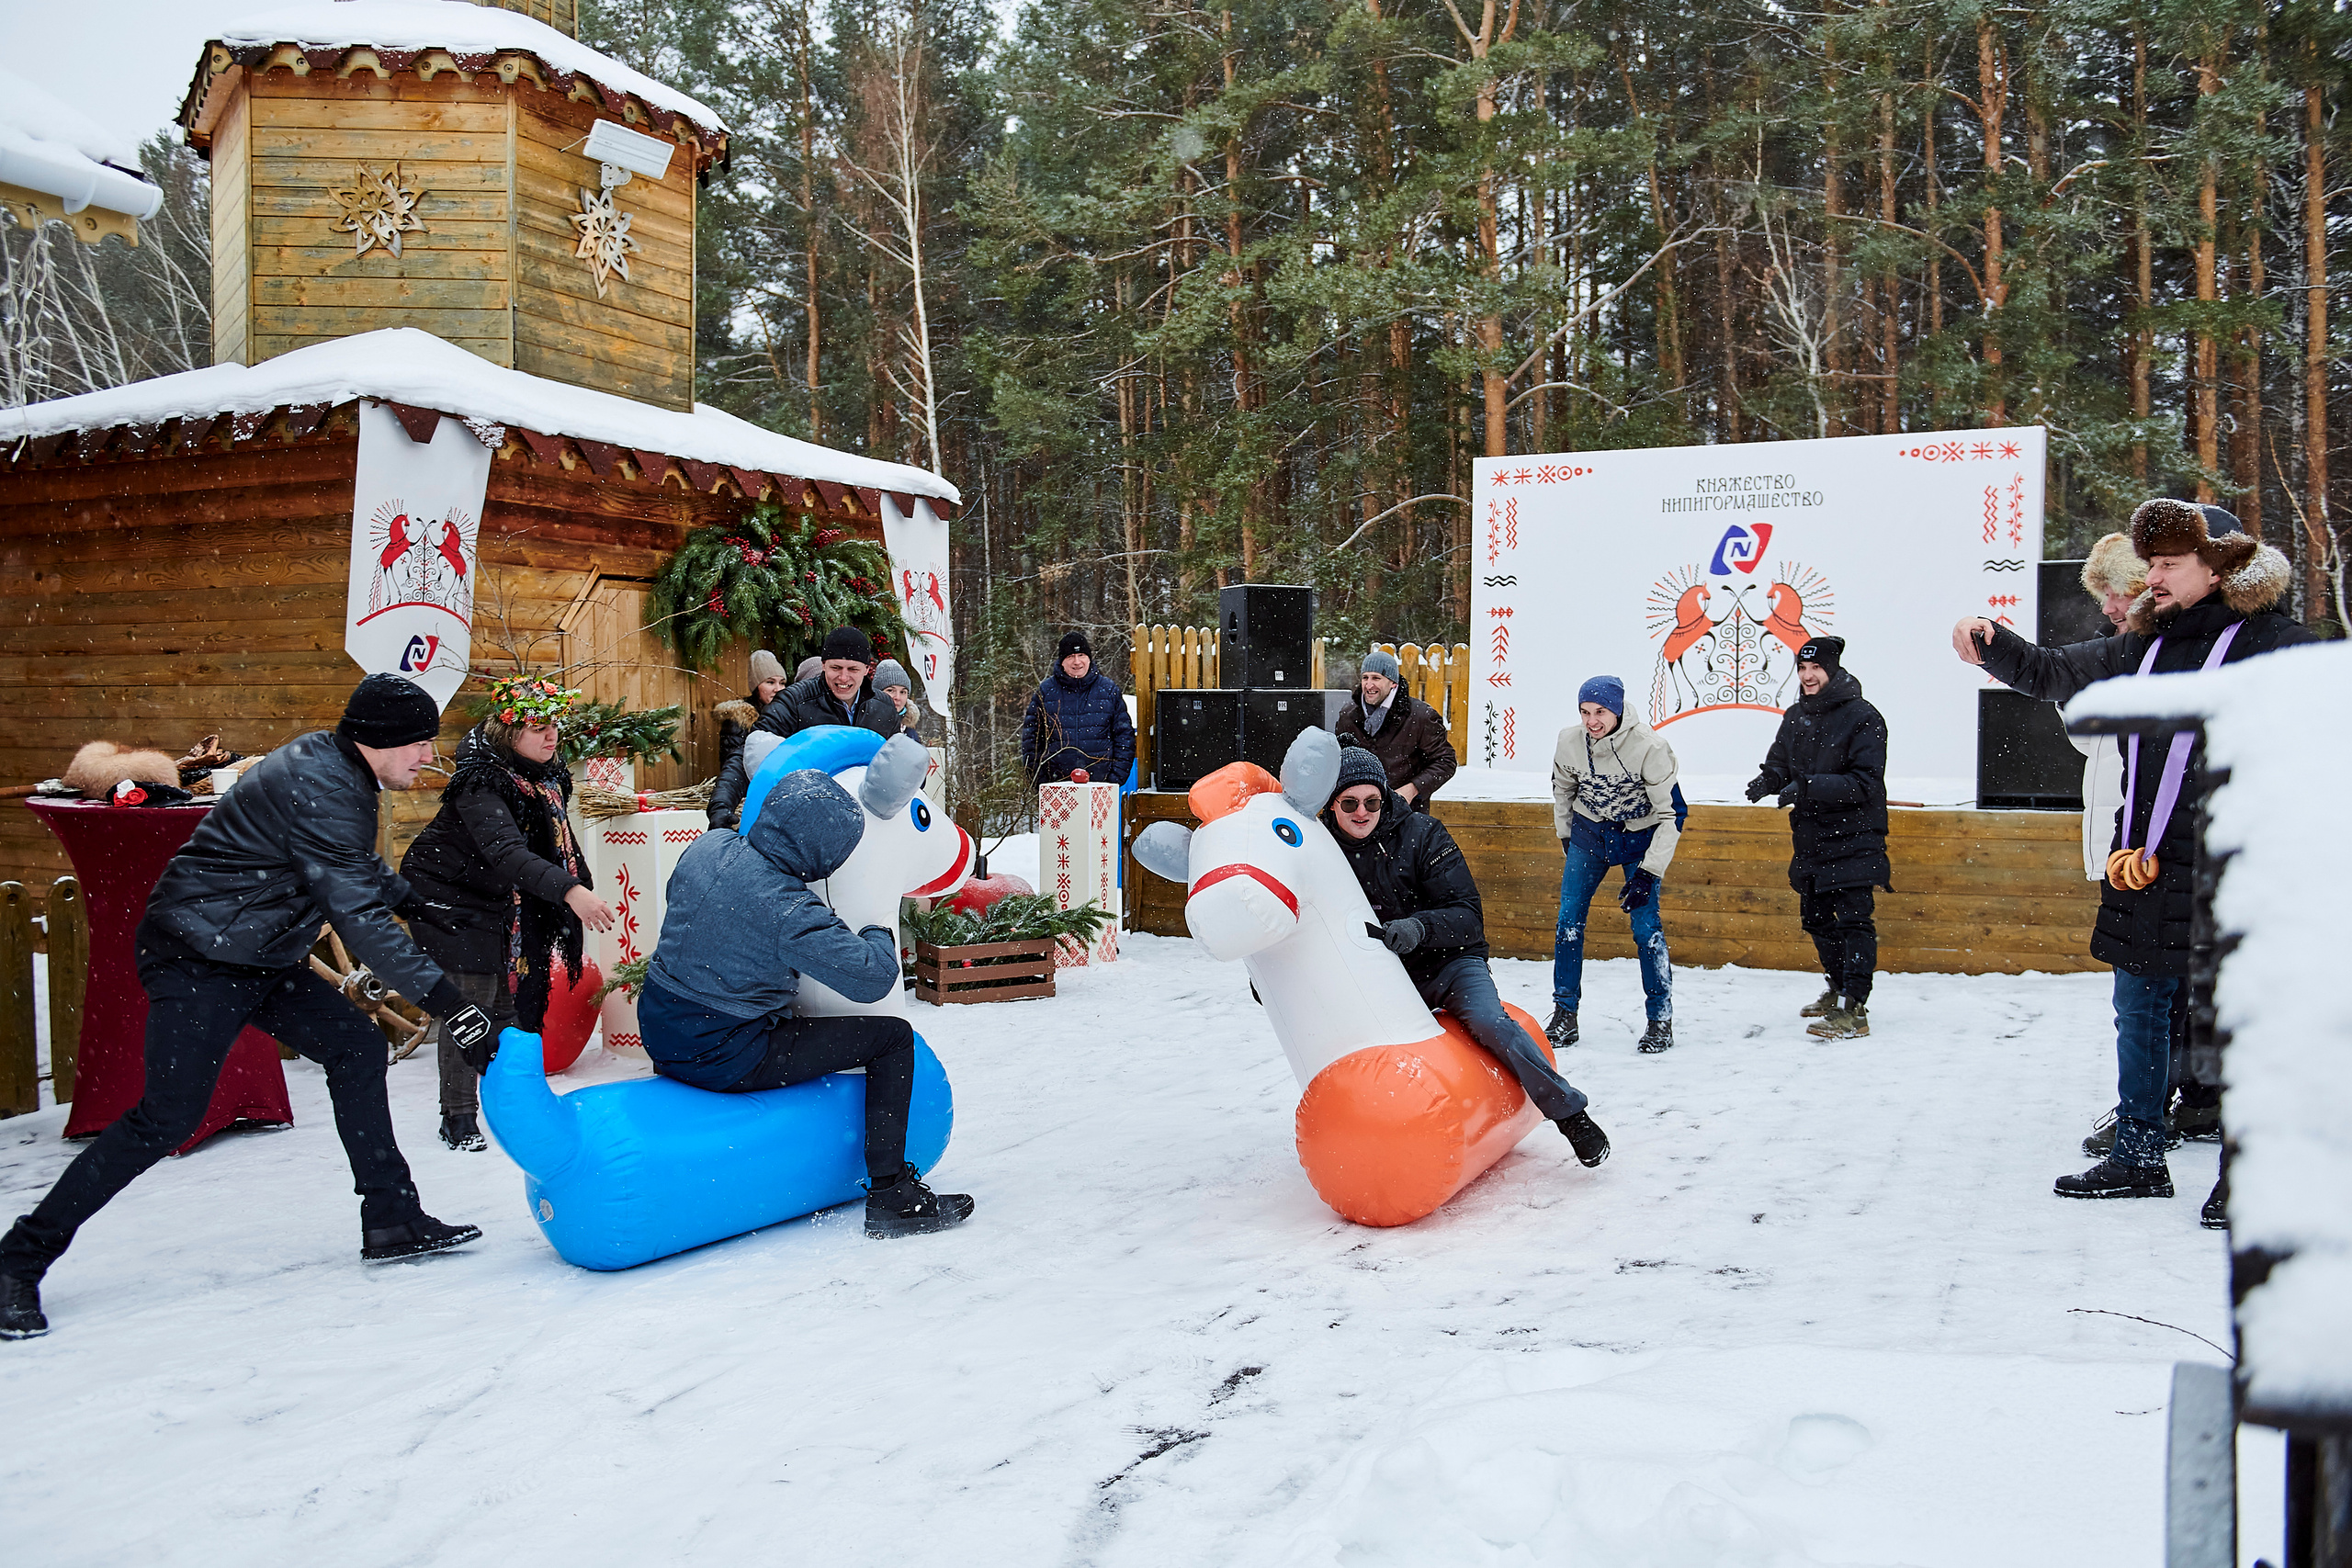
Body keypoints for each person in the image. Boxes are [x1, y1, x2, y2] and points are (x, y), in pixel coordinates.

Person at [0, 674, 496, 1340]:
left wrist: (410, 898)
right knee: (165, 1117)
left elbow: (344, 864)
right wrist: (448, 1003)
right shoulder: (326, 785)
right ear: (378, 741)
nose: (424, 757)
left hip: (253, 950)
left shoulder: (337, 769)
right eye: (418, 743)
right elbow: (358, 920)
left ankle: (392, 1217)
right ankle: (18, 1259)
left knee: (355, 1045)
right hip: (197, 953)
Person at [1952, 500, 2310, 1210]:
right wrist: (1992, 642)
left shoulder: (2278, 643)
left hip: (2239, 869)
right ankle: (2140, 1153)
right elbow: (2053, 671)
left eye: (2170, 564)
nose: (2154, 577)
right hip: (2144, 864)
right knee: (2140, 1009)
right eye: (2151, 564)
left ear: (2222, 565)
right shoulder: (2141, 645)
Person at [634, 746, 974, 1238]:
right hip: (722, 1052)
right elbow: (871, 978)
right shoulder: (788, 910)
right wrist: (878, 927)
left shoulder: (708, 848)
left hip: (661, 1026)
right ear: (821, 854)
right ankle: (891, 1196)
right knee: (893, 1039)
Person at [1321, 745, 1611, 1168]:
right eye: (1349, 803)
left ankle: (1571, 1115)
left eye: (1371, 801)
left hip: (1449, 961)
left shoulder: (1423, 834)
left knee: (1490, 1022)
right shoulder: (1323, 849)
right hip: (1383, 972)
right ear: (1333, 805)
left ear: (1385, 799)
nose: (1361, 812)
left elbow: (1468, 915)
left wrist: (1420, 927)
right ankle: (1363, 1138)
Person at [399, 675, 616, 1152]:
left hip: (502, 894)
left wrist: (577, 882)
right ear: (506, 731)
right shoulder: (481, 781)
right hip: (446, 892)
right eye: (536, 726)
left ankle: (516, 1102)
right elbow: (506, 851)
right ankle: (457, 1119)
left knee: (514, 1008)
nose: (551, 735)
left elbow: (550, 841)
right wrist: (570, 892)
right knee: (472, 1004)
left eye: (554, 723)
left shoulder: (548, 774)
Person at [2064, 538, 2218, 1162]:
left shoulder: (2176, 654)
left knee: (2157, 994)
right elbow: (2091, 745)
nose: (2107, 605)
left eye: (2116, 591)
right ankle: (2180, 1100)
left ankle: (2156, 1115)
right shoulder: (2128, 655)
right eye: (2102, 594)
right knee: (2166, 990)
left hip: (2171, 849)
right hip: (2133, 846)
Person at [1745, 636, 1889, 1043]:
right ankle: (1838, 985)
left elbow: (1863, 782)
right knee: (1816, 919)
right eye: (1802, 669)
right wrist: (1768, 780)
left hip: (1855, 835)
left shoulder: (1864, 717)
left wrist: (1804, 786)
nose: (1808, 676)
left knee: (1855, 920)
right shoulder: (1795, 716)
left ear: (1833, 670)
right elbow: (1779, 764)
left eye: (1815, 668)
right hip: (1811, 838)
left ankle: (1855, 1007)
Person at [1546, 676, 1679, 1054]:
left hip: (1639, 836)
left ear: (1618, 709)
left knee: (1645, 927)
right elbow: (1562, 789)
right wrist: (1567, 834)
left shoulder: (1650, 748)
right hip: (1589, 834)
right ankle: (1564, 1014)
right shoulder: (1569, 741)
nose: (1592, 721)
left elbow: (1672, 816)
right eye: (1585, 712)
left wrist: (1648, 873)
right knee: (1568, 921)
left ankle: (1660, 1019)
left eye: (1600, 712)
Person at [708, 627, 902, 829]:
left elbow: (901, 760)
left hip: (868, 820)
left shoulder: (884, 707)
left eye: (852, 669)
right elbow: (750, 753)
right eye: (836, 668)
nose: (843, 678)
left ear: (866, 669)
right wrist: (721, 805)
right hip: (809, 821)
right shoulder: (796, 701)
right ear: (824, 665)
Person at [1332, 649, 1456, 812]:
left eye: (1376, 678)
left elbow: (1445, 761)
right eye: (1365, 678)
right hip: (1359, 813)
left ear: (1393, 683)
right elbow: (1339, 758)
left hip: (1405, 814)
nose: (1369, 685)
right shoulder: (1348, 714)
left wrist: (1413, 789)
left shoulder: (1421, 716)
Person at [1021, 632, 1135, 786]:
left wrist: (1114, 779)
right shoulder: (1046, 692)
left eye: (1081, 655)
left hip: (1101, 786)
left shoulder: (1108, 691)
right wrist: (1041, 782)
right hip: (1057, 787)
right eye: (1070, 657)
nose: (1077, 662)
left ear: (1089, 658)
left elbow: (1124, 738)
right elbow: (1031, 741)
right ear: (1062, 661)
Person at [711, 649, 791, 807]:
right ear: (756, 686)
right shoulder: (739, 720)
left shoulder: (787, 715)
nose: (778, 688)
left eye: (782, 683)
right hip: (753, 799)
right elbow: (735, 766)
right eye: (770, 682)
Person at [872, 658, 922, 739]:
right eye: (891, 690)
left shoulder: (910, 733)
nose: (897, 697)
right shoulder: (864, 726)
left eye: (903, 692)